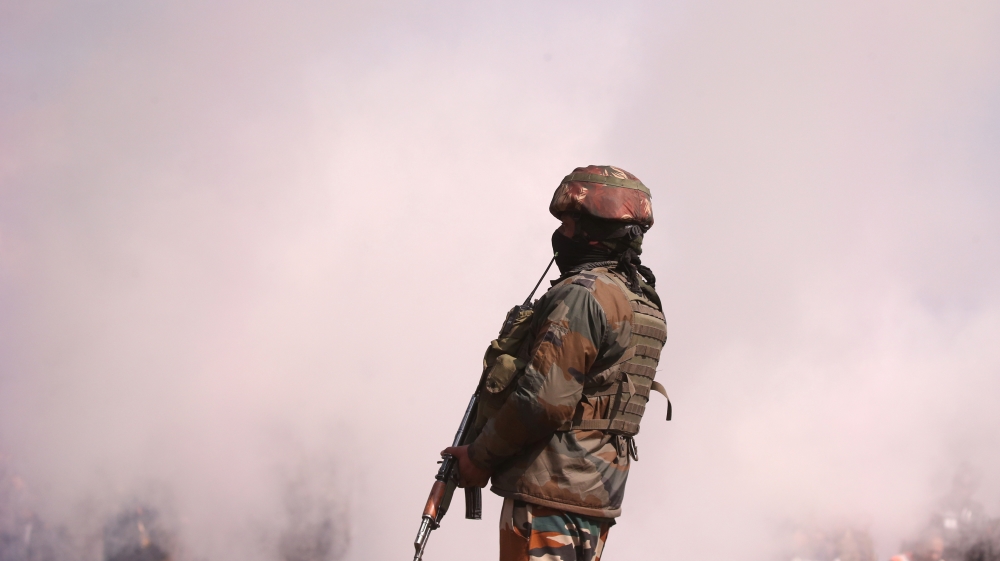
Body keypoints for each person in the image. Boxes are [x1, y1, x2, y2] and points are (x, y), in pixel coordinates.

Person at [443, 165, 668, 561]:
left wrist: (479, 458)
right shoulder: (642, 301)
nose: (561, 235)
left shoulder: (582, 296)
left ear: (593, 231)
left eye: (568, 223)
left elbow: (544, 400)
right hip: (594, 496)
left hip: (549, 495)